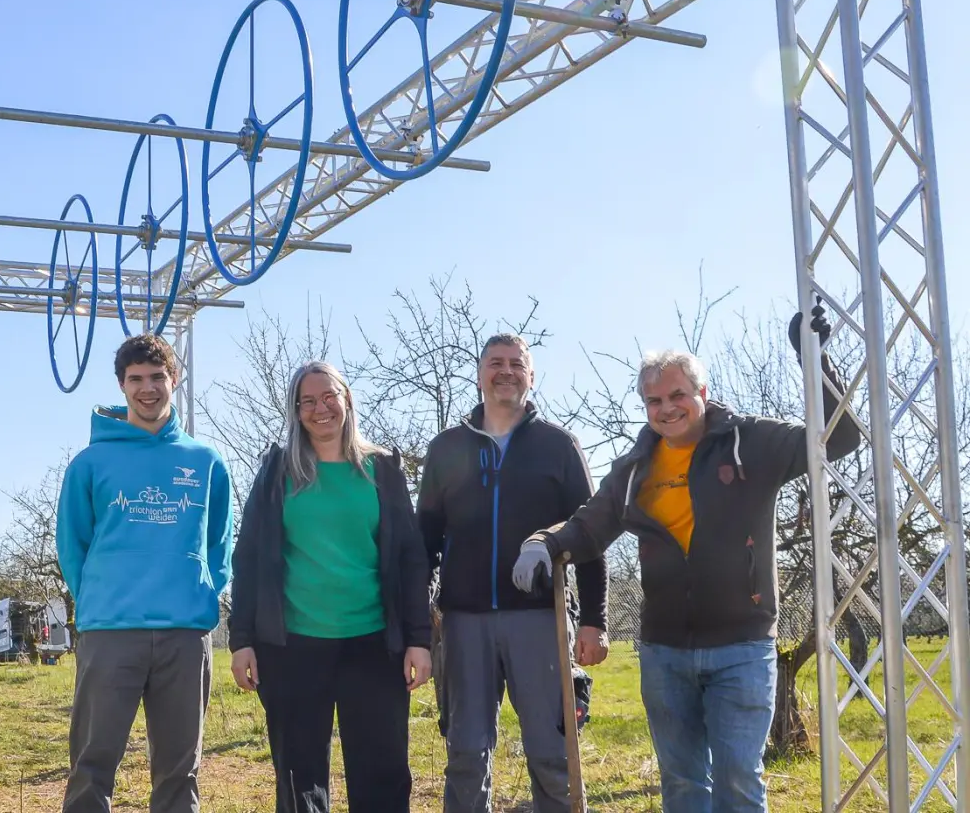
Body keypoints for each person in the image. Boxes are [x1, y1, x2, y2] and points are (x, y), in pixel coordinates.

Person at [512, 305, 861, 813]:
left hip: (741, 644)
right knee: (681, 784)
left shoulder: (749, 441)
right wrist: (543, 541)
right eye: (654, 400)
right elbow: (590, 525)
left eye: (677, 395)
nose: (666, 408)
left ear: (701, 393)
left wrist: (816, 362)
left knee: (739, 779)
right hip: (664, 651)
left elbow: (840, 439)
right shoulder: (635, 467)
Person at [227, 360, 432, 813]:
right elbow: (249, 557)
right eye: (307, 402)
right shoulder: (277, 470)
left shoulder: (383, 469)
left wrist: (419, 640)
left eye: (328, 397)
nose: (320, 409)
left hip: (375, 645)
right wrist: (241, 640)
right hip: (293, 647)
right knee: (300, 779)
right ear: (296, 412)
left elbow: (410, 560)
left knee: (382, 772)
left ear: (346, 400)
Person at [416, 333, 609, 813]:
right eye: (495, 363)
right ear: (480, 374)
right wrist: (420, 622)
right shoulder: (446, 448)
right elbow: (425, 541)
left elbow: (589, 532)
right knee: (465, 752)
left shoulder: (559, 446)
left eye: (517, 364)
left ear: (532, 375)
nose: (506, 371)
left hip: (540, 620)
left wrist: (594, 619)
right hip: (464, 622)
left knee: (551, 752)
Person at [56, 333, 235, 813]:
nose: (147, 388)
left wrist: (199, 596)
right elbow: (71, 547)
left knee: (180, 771)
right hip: (111, 632)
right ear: (122, 386)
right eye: (136, 379)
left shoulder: (206, 462)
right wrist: (101, 595)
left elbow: (220, 544)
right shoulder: (90, 464)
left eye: (157, 377)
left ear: (174, 380)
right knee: (92, 765)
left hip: (184, 633)